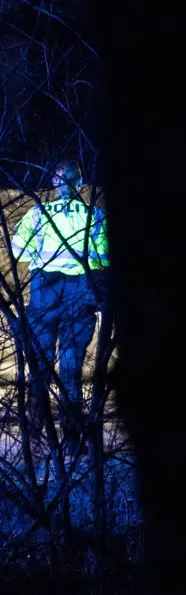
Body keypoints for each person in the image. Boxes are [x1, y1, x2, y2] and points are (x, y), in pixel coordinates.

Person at [12, 159, 109, 454]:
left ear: (54, 181)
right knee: (70, 370)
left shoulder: (38, 213)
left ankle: (34, 440)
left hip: (45, 293)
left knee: (39, 366)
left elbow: (18, 251)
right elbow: (104, 258)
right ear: (79, 182)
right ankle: (72, 441)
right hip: (80, 294)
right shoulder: (94, 214)